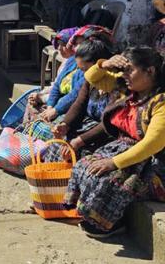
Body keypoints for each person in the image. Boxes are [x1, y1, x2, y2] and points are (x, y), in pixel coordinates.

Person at [65, 47, 165, 238]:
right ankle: (91, 214)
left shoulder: (161, 102)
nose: (124, 75)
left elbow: (152, 144)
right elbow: (92, 78)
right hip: (125, 151)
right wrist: (104, 63)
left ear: (150, 71)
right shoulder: (127, 91)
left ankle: (110, 223)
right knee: (85, 166)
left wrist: (113, 163)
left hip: (153, 163)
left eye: (130, 70)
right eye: (123, 70)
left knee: (109, 178)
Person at [52, 39, 116, 153]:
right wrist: (65, 124)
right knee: (58, 144)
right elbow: (79, 103)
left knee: (77, 151)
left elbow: (109, 122)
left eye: (86, 69)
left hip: (106, 131)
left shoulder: (116, 85)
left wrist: (79, 141)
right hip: (87, 123)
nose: (84, 74)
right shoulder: (89, 80)